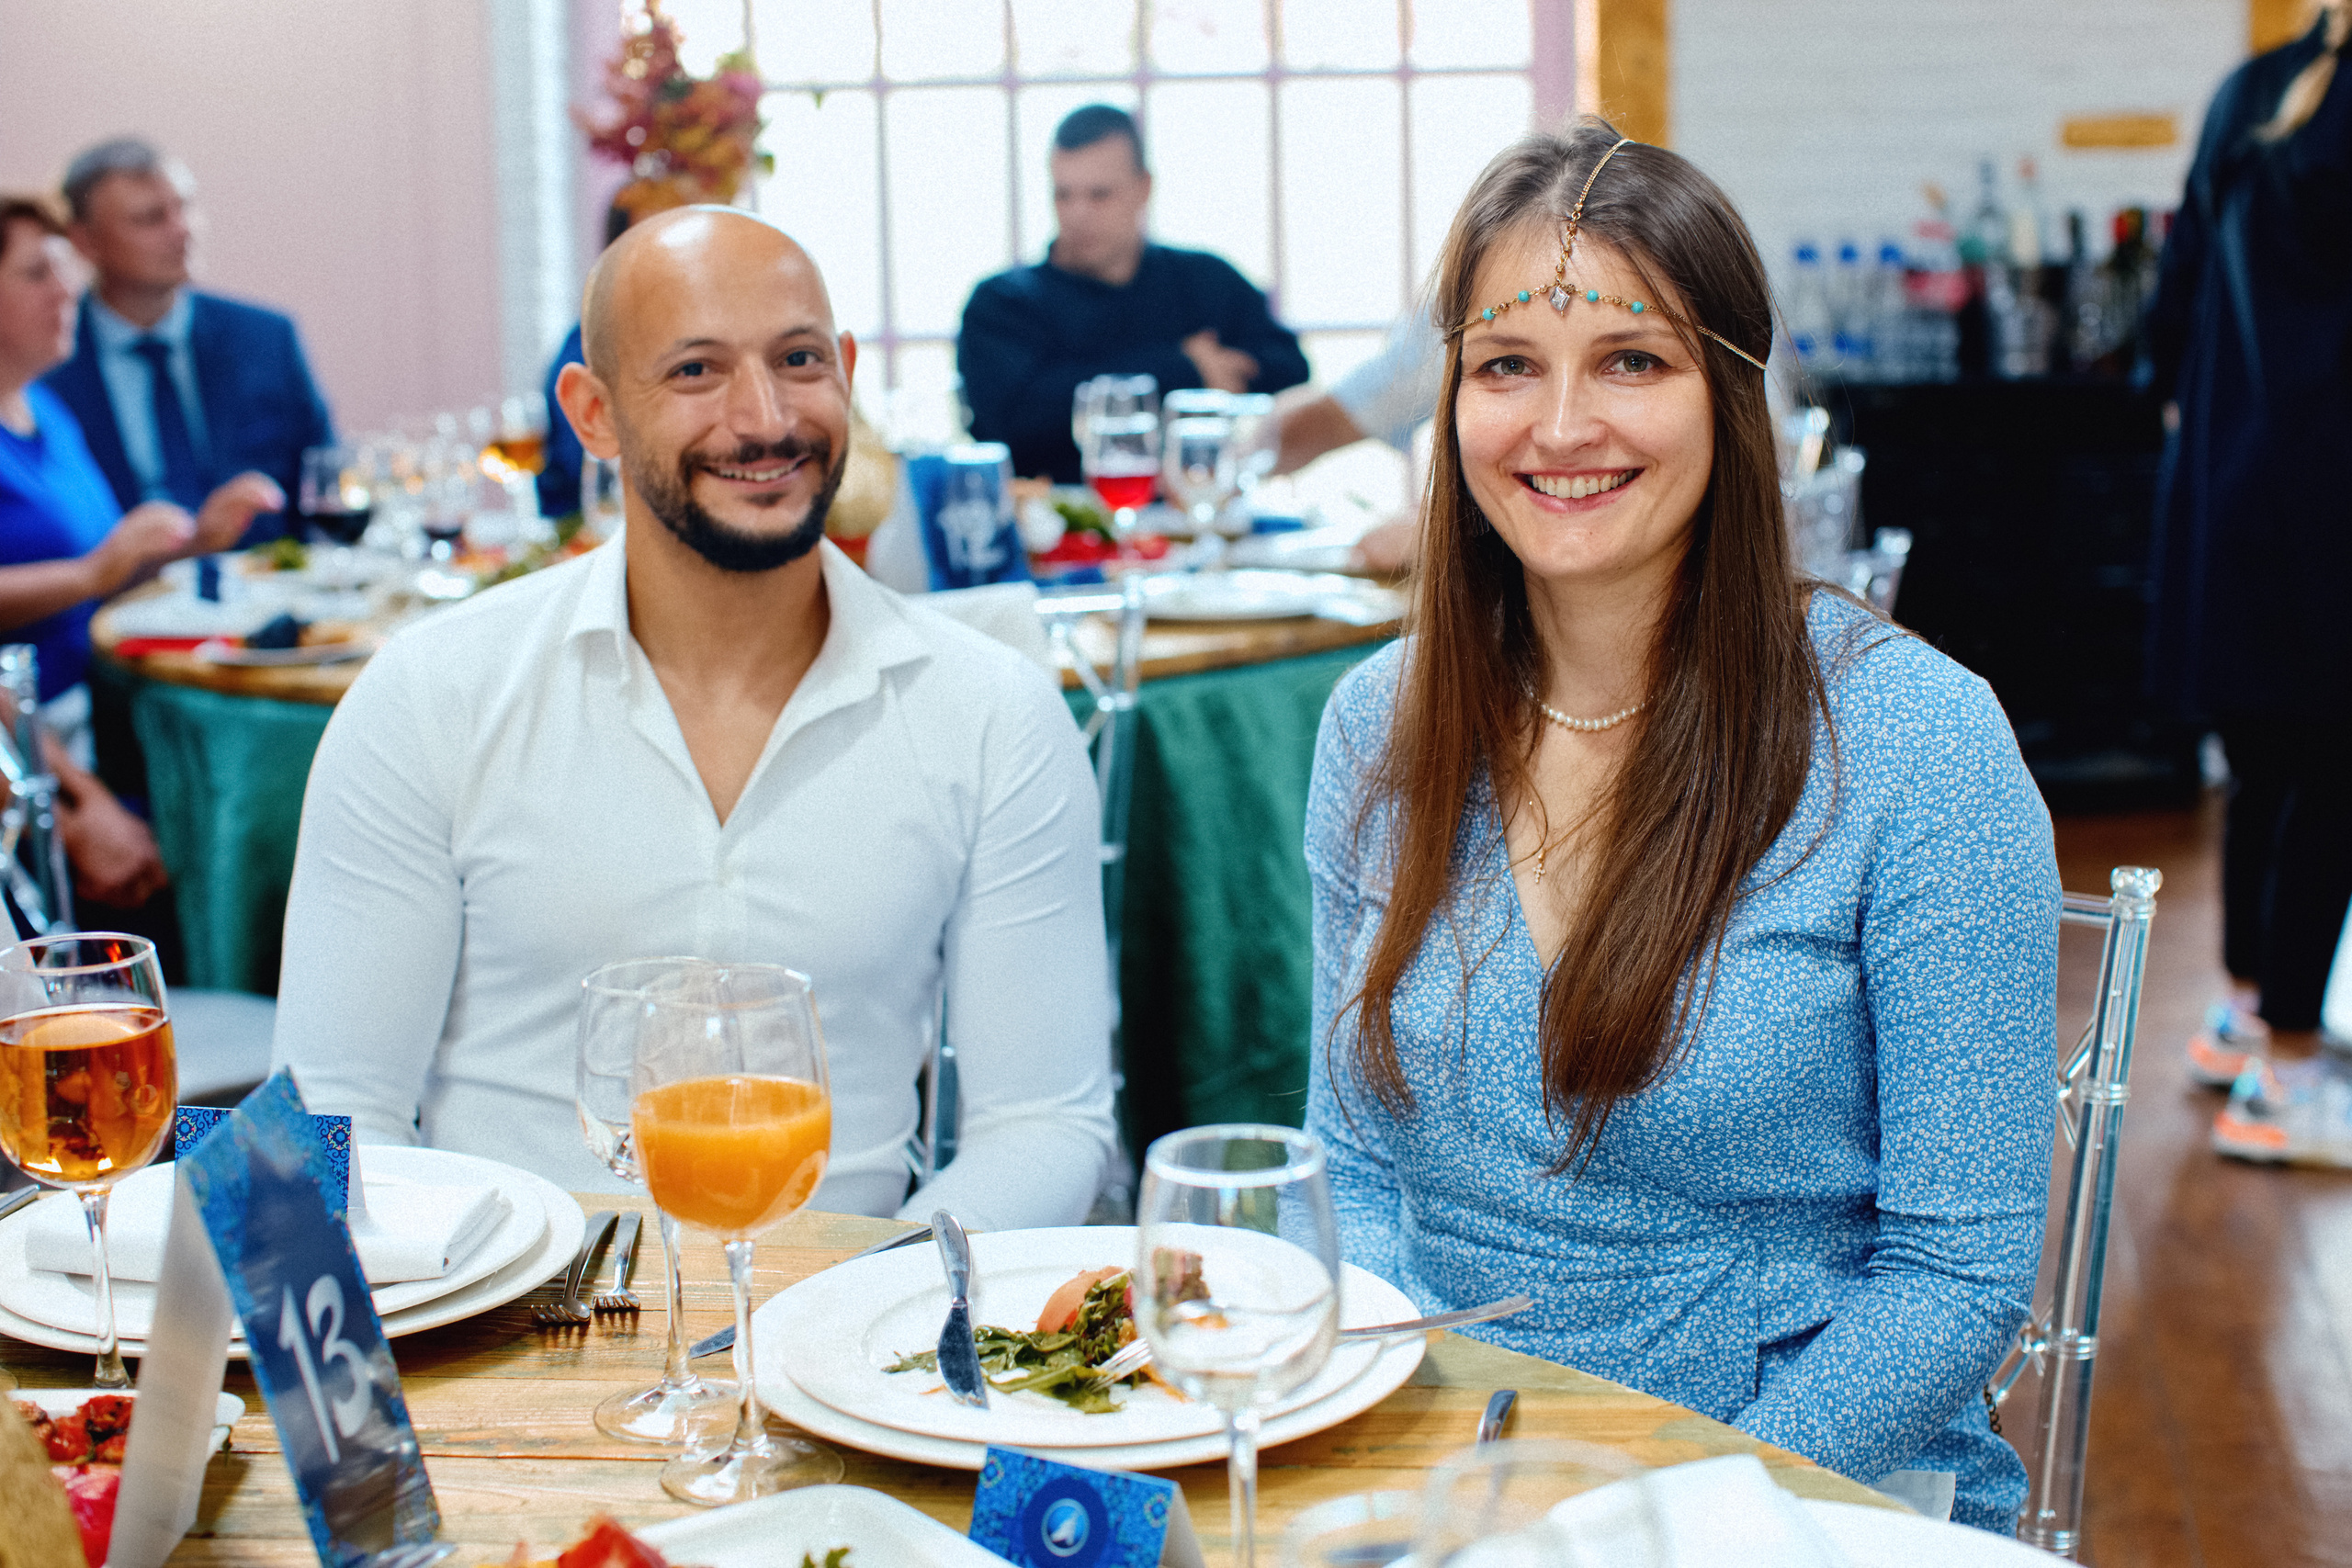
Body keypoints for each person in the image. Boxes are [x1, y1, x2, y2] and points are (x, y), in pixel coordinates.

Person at [1303, 122, 2059, 1532]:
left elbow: (1955, 1278)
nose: (1561, 426)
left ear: (1732, 395)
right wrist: (1373, 1441)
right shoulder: (1378, 724)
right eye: (1507, 365)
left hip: (1800, 1490)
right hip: (1452, 1479)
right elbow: (1345, 1165)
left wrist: (1648, 1518)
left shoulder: (1919, 745)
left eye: (1631, 363)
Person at [271, 206, 1116, 1227]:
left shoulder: (992, 713)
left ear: (845, 372)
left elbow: (1044, 1126)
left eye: (798, 360)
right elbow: (329, 1114)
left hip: (833, 1337)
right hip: (501, 1333)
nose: (763, 419)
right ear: (591, 414)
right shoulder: (428, 696)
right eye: (695, 372)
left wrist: (862, 1313)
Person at [2147, 3, 2352, 1166]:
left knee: (2266, 768)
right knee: (2330, 777)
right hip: (2326, 499)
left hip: (2229, 488)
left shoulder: (2250, 90)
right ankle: (2288, 1069)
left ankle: (2240, 1016)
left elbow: (2173, 308)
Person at [0, 195, 281, 919]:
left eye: (65, 270)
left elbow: (90, 573)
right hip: (28, 753)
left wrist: (194, 544)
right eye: (37, 273)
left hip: (89, 727)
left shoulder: (42, 409)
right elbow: (84, 573)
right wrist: (73, 804)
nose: (66, 291)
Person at [958, 105, 1309, 482]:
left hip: (1201, 516)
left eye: (1099, 195)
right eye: (1063, 195)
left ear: (1144, 188)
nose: (1078, 214)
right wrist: (1187, 369)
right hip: (1060, 529)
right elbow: (1015, 423)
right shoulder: (1003, 304)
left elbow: (1290, 373)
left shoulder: (1206, 280)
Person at [40, 139, 330, 538]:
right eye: (151, 218)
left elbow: (326, 489)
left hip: (266, 586)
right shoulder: (47, 362)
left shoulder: (265, 340)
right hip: (121, 593)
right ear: (85, 241)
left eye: (186, 207)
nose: (182, 230)